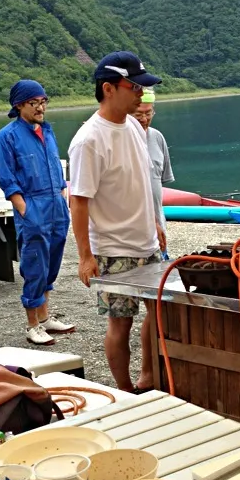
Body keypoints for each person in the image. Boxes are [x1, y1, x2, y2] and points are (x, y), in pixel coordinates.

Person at [69, 51, 162, 393]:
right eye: (134, 86)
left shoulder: (135, 128)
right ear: (109, 88)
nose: (141, 94)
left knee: (158, 316)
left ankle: (149, 377)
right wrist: (85, 256)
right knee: (119, 323)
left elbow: (139, 182)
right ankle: (124, 389)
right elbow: (78, 201)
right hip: (113, 250)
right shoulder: (89, 140)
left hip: (148, 243)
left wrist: (156, 223)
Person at [0, 79, 74, 346]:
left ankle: (46, 317)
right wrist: (25, 209)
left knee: (52, 262)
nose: (40, 108)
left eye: (43, 101)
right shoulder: (7, 137)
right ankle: (32, 325)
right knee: (34, 264)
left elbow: (55, 167)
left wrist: (62, 195)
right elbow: (6, 178)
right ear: (19, 105)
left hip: (56, 205)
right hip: (33, 206)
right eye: (34, 103)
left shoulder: (47, 131)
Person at [132, 89, 173, 259]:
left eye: (148, 113)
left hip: (158, 233)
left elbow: (159, 183)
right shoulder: (119, 140)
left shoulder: (157, 137)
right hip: (131, 236)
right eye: (138, 114)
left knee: (159, 281)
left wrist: (157, 223)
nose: (144, 119)